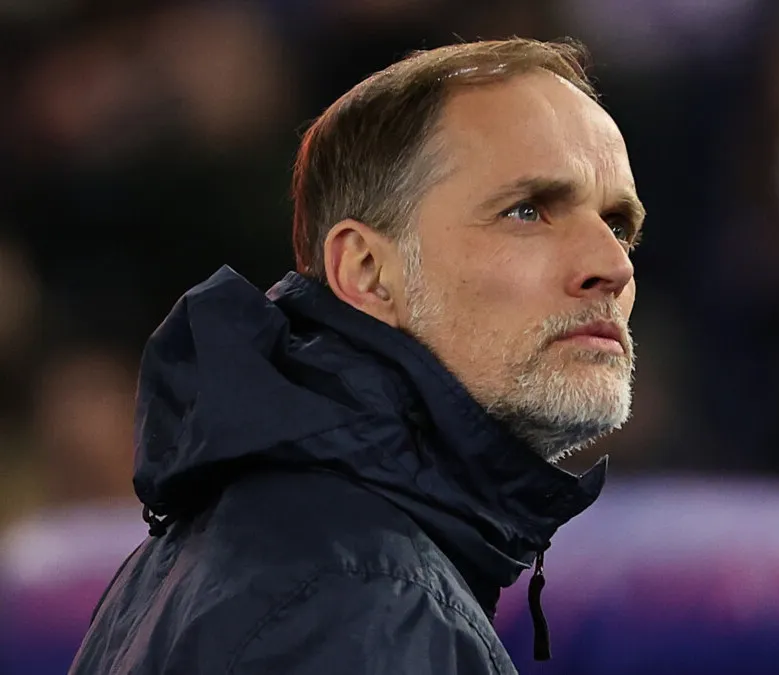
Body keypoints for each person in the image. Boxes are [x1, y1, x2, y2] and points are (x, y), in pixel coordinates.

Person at [70, 37, 644, 675]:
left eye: (619, 225)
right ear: (367, 270)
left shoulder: (251, 553)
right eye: (528, 211)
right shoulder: (365, 598)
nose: (613, 265)